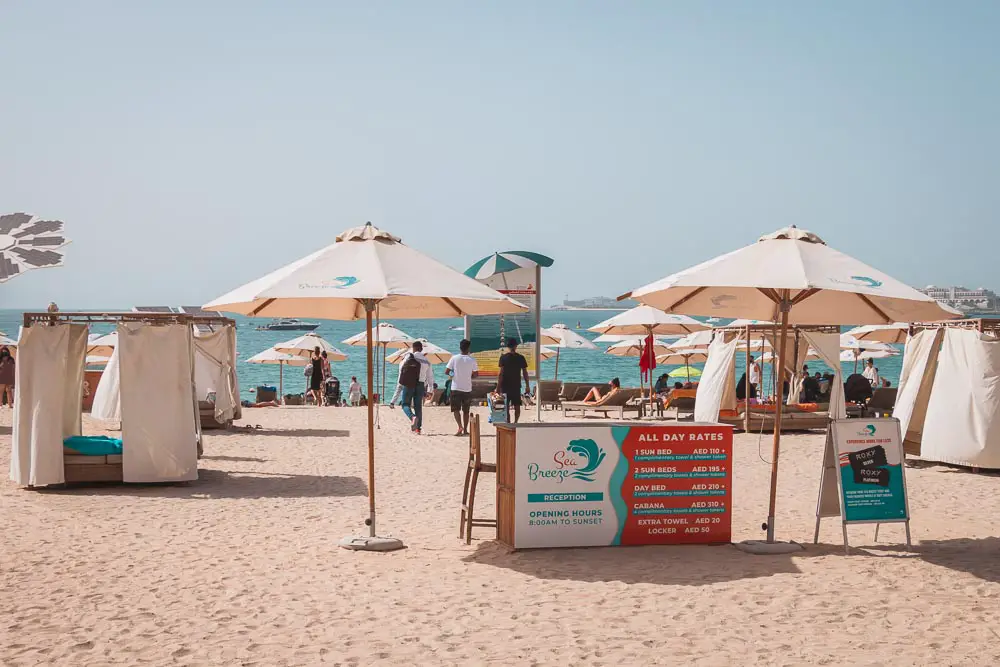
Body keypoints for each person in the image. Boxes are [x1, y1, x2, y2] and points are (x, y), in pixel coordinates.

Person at [445, 339, 479, 436]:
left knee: (456, 409)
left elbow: (446, 371)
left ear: (460, 347)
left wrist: (454, 374)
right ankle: (465, 430)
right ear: (469, 348)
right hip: (467, 388)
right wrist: (469, 376)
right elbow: (476, 374)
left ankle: (460, 426)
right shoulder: (472, 360)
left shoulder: (454, 358)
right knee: (466, 410)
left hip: (455, 387)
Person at [400, 341, 433, 434]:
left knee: (405, 404)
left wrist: (401, 382)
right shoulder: (427, 361)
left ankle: (412, 417)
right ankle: (418, 429)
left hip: (409, 383)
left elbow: (402, 369)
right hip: (420, 384)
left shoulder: (409, 356)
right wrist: (430, 390)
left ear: (413, 348)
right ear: (421, 349)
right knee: (418, 406)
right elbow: (430, 377)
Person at [497, 338, 530, 423]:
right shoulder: (521, 358)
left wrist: (498, 387)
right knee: (517, 407)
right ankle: (515, 422)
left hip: (505, 386)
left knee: (506, 407)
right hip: (516, 386)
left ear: (508, 347)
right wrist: (527, 385)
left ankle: (508, 423)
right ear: (516, 346)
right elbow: (525, 373)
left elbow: (500, 374)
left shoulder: (503, 358)